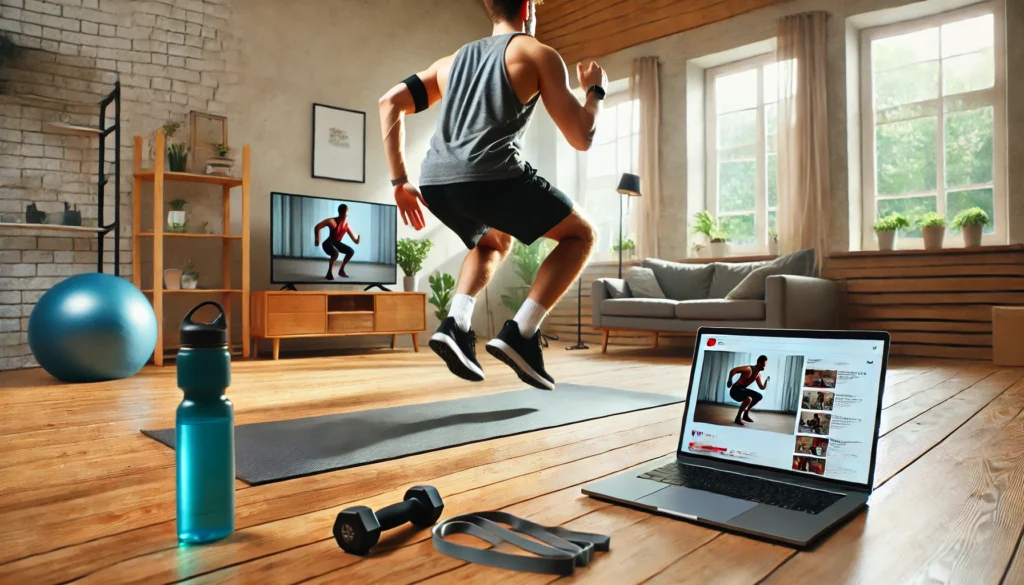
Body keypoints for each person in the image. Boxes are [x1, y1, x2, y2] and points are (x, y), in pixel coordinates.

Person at [377, 0, 603, 389]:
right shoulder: (537, 53)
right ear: (528, 5)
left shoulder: (451, 62)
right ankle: (523, 333)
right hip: (491, 175)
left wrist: (399, 182)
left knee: (492, 241)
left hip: (436, 181)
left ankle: (456, 322)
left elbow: (390, 102)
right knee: (581, 234)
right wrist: (594, 91)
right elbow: (581, 137)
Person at [313, 204, 361, 280]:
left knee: (351, 251)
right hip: (327, 243)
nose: (346, 214)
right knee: (335, 253)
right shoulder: (332, 221)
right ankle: (329, 272)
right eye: (345, 213)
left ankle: (341, 270)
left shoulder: (346, 225)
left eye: (347, 213)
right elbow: (317, 227)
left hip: (336, 243)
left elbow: (354, 240)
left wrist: (357, 241)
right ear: (341, 213)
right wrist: (317, 239)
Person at [726, 356, 770, 426]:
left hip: (742, 389)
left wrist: (766, 381)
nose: (764, 367)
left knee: (759, 396)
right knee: (749, 398)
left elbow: (762, 387)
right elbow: (733, 370)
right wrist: (729, 380)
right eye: (763, 365)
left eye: (765, 366)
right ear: (759, 363)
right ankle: (738, 418)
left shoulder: (758, 375)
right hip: (735, 390)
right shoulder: (748, 369)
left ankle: (745, 415)